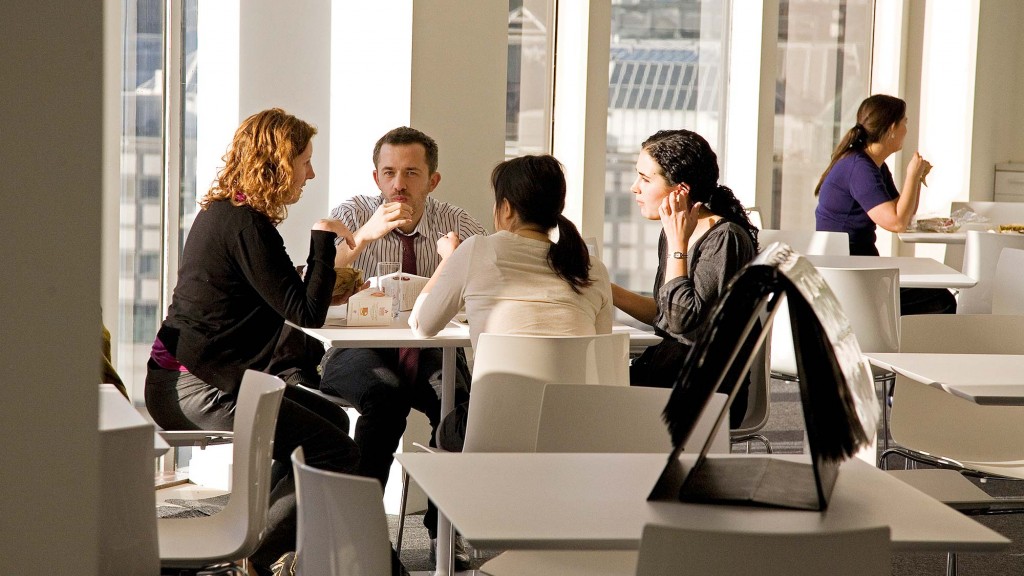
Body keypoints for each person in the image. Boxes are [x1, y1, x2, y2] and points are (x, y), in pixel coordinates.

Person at [144, 108, 364, 576]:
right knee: (333, 448)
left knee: (327, 420)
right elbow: (305, 312)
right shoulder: (246, 225)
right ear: (281, 162)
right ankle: (260, 553)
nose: (311, 173)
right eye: (305, 160)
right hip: (195, 386)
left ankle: (266, 544)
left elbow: (275, 291)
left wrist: (326, 275)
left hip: (189, 378)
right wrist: (323, 240)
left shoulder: (230, 214)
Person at [318, 126, 485, 559]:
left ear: (433, 180)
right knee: (384, 399)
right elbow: (311, 281)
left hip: (433, 349)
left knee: (459, 405)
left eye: (411, 173)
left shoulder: (456, 222)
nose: (398, 184)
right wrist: (364, 238)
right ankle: (363, 533)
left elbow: (485, 282)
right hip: (358, 349)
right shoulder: (353, 214)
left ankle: (441, 532)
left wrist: (454, 262)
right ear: (376, 177)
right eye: (389, 172)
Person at [409, 154, 614, 449]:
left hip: (494, 425)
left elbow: (422, 325)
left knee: (445, 433)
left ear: (505, 208)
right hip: (575, 430)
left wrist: (448, 260)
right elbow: (600, 349)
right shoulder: (592, 267)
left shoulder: (476, 250)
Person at [613, 129, 759, 428]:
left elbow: (682, 322)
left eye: (645, 178)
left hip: (705, 390)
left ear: (680, 190)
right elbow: (667, 311)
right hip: (672, 375)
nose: (634, 188)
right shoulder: (674, 229)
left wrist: (678, 247)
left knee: (591, 400)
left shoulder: (724, 238)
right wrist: (604, 287)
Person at [815, 94, 955, 315]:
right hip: (848, 277)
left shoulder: (874, 165)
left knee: (938, 296)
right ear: (891, 128)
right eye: (904, 123)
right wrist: (911, 175)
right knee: (941, 301)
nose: (906, 130)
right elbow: (897, 223)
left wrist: (916, 178)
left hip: (862, 268)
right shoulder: (858, 167)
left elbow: (904, 214)